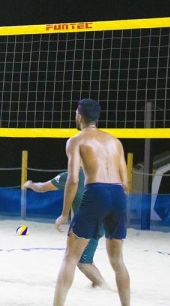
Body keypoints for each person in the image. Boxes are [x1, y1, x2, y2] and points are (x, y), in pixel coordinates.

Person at [53, 99, 130, 306]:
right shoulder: (115, 142)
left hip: (96, 191)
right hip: (118, 194)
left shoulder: (76, 141)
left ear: (79, 116)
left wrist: (64, 213)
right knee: (118, 261)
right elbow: (125, 182)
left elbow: (73, 179)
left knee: (70, 257)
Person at [23, 168, 109, 289]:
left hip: (88, 222)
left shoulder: (69, 177)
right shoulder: (100, 174)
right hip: (105, 220)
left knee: (81, 261)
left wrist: (30, 184)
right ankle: (96, 283)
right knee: (83, 254)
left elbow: (42, 187)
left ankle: (105, 287)